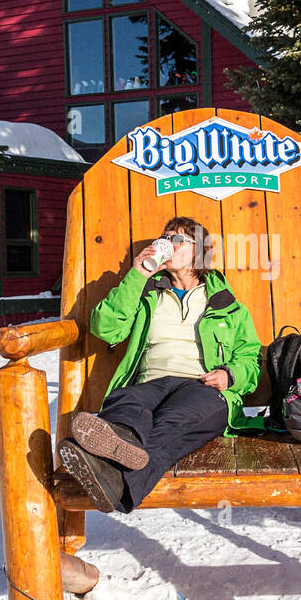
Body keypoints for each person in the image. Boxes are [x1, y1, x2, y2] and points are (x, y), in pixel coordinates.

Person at [58, 216, 264, 515]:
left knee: (174, 420)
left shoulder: (225, 303)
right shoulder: (147, 293)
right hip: (152, 381)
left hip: (203, 387)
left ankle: (114, 478)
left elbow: (251, 358)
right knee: (125, 399)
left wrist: (229, 375)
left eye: (178, 239)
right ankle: (118, 449)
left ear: (199, 252)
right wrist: (137, 275)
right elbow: (106, 328)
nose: (166, 243)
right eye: (164, 237)